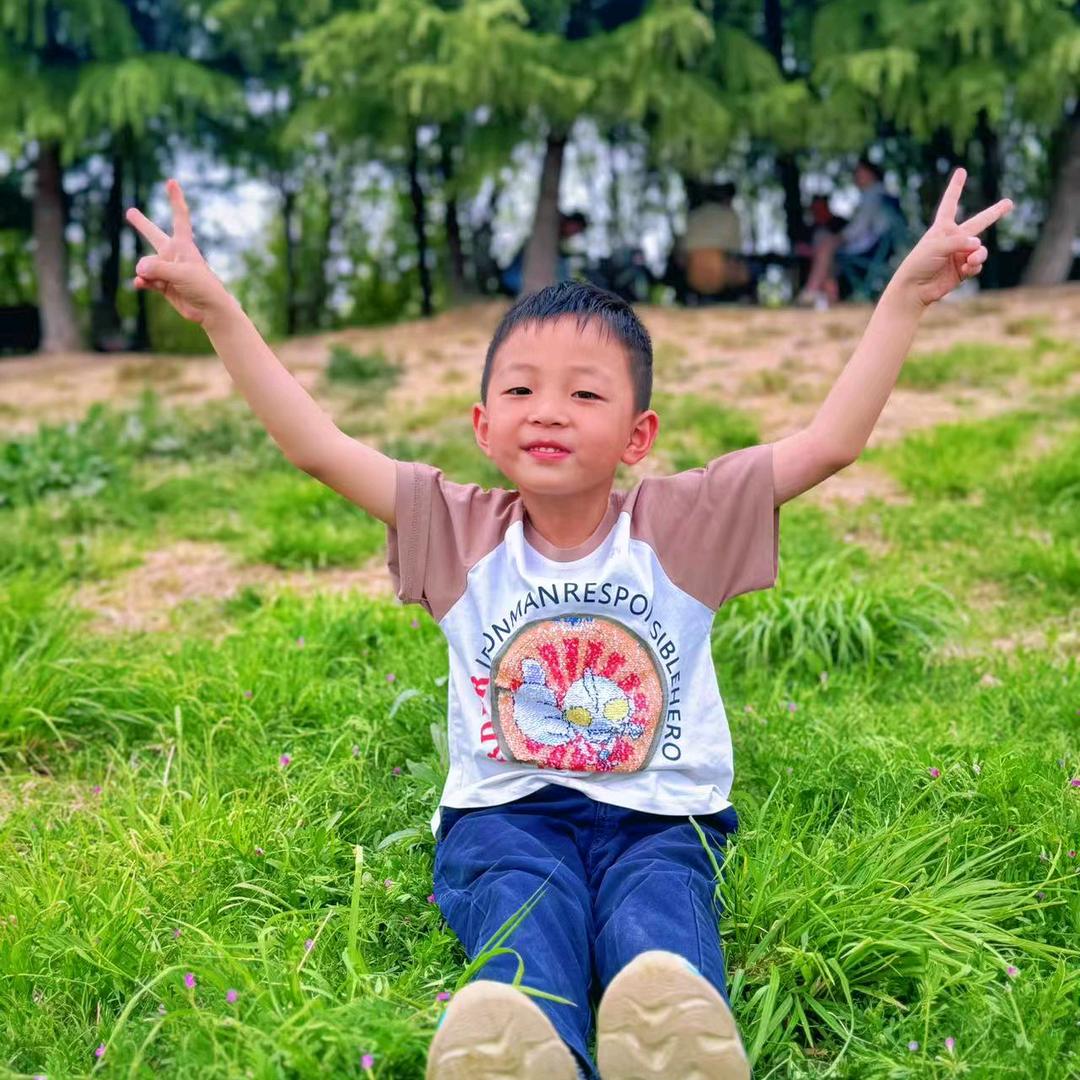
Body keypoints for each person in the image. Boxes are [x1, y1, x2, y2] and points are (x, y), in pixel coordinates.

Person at [126, 169, 1011, 1080]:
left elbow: (829, 444)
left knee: (658, 922)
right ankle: (525, 1041)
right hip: (505, 812)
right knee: (522, 908)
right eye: (520, 390)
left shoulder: (681, 524)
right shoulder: (455, 530)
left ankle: (670, 1037)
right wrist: (220, 312)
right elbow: (316, 447)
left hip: (662, 815)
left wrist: (905, 296)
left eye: (585, 396)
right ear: (483, 425)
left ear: (637, 436)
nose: (548, 409)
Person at [797, 159, 895, 307]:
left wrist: (839, 238)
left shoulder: (873, 195)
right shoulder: (879, 194)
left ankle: (813, 291)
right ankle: (825, 294)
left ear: (870, 174)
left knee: (826, 244)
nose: (856, 176)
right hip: (880, 247)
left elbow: (858, 229)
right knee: (825, 243)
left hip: (873, 248)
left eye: (859, 172)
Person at [673, 180, 753, 300]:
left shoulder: (693, 216)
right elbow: (736, 251)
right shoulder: (731, 216)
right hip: (721, 280)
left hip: (693, 280)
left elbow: (681, 255)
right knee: (747, 267)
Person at [501, 211, 588, 296]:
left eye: (577, 231)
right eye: (576, 228)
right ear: (571, 222)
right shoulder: (551, 229)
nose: (574, 233)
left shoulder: (558, 239)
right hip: (515, 276)